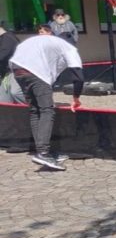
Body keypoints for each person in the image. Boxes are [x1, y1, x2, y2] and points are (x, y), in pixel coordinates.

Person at [9, 25, 84, 170]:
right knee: (46, 110)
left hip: (17, 69)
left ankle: (42, 151)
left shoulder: (44, 41)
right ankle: (43, 152)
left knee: (35, 110)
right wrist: (76, 98)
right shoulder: (69, 48)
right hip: (35, 72)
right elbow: (78, 76)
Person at [0, 24, 23, 104]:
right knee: (3, 100)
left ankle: (36, 107)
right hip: (6, 73)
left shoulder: (8, 38)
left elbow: (2, 55)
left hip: (15, 72)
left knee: (16, 93)